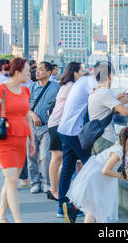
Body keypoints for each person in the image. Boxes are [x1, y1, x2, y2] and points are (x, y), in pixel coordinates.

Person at [0, 58, 36, 223]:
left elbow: (27, 117)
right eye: (27, 71)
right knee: (12, 181)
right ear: (17, 73)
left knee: (10, 179)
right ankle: (18, 220)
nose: (30, 74)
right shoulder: (0, 89)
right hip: (4, 139)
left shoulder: (26, 91)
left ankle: (0, 215)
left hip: (21, 139)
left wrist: (32, 140)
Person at [67, 126, 128, 223]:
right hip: (97, 182)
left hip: (95, 179)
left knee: (93, 212)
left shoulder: (120, 146)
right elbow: (105, 170)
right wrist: (121, 176)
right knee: (98, 212)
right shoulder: (118, 153)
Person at [56, 72, 97, 222]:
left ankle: (63, 206)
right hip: (73, 131)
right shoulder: (89, 81)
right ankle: (75, 205)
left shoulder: (80, 82)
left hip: (64, 129)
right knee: (92, 167)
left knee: (67, 169)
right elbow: (99, 96)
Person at [46, 61, 83, 201]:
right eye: (81, 71)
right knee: (58, 158)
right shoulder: (71, 87)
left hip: (58, 124)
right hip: (58, 125)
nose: (83, 74)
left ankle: (57, 190)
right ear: (74, 72)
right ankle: (54, 190)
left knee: (62, 159)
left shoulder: (67, 85)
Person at [89, 61, 128, 155]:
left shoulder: (94, 91)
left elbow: (104, 110)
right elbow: (125, 112)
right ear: (109, 76)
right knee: (111, 167)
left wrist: (117, 101)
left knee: (98, 168)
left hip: (96, 137)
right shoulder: (105, 92)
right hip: (105, 138)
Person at [28, 62, 60, 194]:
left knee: (46, 156)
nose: (37, 72)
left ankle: (47, 182)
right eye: (36, 70)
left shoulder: (56, 87)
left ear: (49, 72)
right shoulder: (31, 87)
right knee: (32, 156)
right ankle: (35, 182)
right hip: (31, 126)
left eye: (41, 70)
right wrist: (33, 115)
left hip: (48, 127)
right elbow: (24, 105)